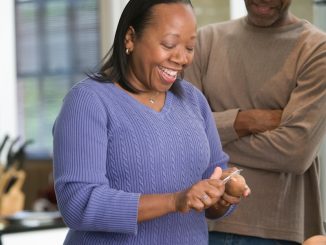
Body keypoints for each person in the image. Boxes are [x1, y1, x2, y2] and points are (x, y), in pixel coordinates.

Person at [52, 0, 250, 244]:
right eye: (169, 44)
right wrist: (174, 201)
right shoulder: (88, 102)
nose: (181, 58)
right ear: (130, 38)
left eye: (189, 47)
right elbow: (78, 204)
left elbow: (210, 188)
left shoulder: (193, 100)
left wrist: (224, 194)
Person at [184, 0, 326, 244]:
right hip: (201, 221)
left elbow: (295, 152)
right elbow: (182, 134)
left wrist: (208, 133)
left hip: (277, 229)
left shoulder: (316, 49)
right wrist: (244, 121)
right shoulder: (205, 41)